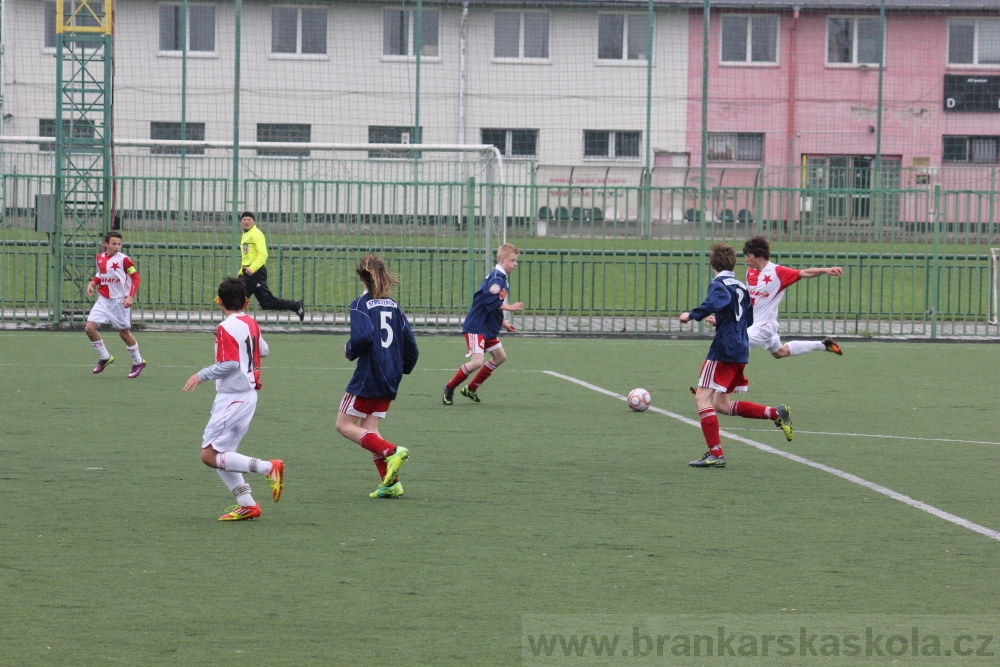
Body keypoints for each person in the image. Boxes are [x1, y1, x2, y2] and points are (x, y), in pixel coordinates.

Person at [680, 243, 794, 469]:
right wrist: (721, 320)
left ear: (713, 264)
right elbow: (748, 318)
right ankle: (775, 413)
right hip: (740, 347)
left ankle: (716, 454)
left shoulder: (719, 283)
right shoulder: (741, 285)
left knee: (702, 398)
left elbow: (715, 301)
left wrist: (692, 315)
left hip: (724, 349)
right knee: (721, 404)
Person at [183, 277, 285, 521]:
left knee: (208, 455)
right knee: (222, 453)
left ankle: (268, 467)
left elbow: (229, 363)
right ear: (247, 302)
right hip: (246, 396)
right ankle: (247, 503)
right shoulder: (250, 323)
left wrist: (201, 374)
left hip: (233, 398)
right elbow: (265, 350)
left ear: (220, 302)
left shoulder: (225, 327)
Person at [336, 254, 419, 499]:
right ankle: (391, 483)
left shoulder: (360, 304)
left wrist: (349, 349)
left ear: (361, 276)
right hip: (391, 376)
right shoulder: (394, 306)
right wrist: (397, 368)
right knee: (369, 427)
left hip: (368, 375)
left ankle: (391, 451)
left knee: (343, 424)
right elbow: (411, 347)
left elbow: (362, 338)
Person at [442, 243, 524, 405]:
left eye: (516, 260)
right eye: (513, 260)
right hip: (476, 327)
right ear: (502, 260)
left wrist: (504, 323)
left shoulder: (500, 278)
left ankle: (471, 389)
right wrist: (510, 307)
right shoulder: (496, 279)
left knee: (500, 357)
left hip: (487, 327)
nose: (515, 264)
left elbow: (491, 307)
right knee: (477, 362)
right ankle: (449, 388)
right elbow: (488, 302)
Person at [741, 235, 844, 359]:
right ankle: (823, 345)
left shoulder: (777, 272)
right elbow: (746, 301)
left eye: (749, 256)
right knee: (780, 352)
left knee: (739, 345)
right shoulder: (750, 272)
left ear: (759, 256)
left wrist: (826, 270)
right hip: (753, 323)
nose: (746, 259)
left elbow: (804, 273)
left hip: (765, 325)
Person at [85, 230, 146, 378]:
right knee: (89, 329)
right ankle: (105, 357)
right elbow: (101, 274)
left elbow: (136, 278)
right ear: (106, 244)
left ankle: (138, 362)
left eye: (119, 244)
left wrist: (130, 297)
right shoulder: (100, 258)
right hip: (104, 300)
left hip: (120, 301)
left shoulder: (124, 260)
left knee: (123, 333)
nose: (117, 247)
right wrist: (93, 283)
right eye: (114, 244)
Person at [238, 211, 305, 322]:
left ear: (253, 221)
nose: (246, 222)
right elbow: (248, 257)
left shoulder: (256, 234)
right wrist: (241, 271)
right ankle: (234, 326)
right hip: (247, 273)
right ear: (241, 221)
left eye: (249, 219)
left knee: (266, 302)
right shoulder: (246, 234)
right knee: (237, 300)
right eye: (244, 219)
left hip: (256, 273)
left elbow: (263, 254)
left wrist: (252, 268)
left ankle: (296, 305)